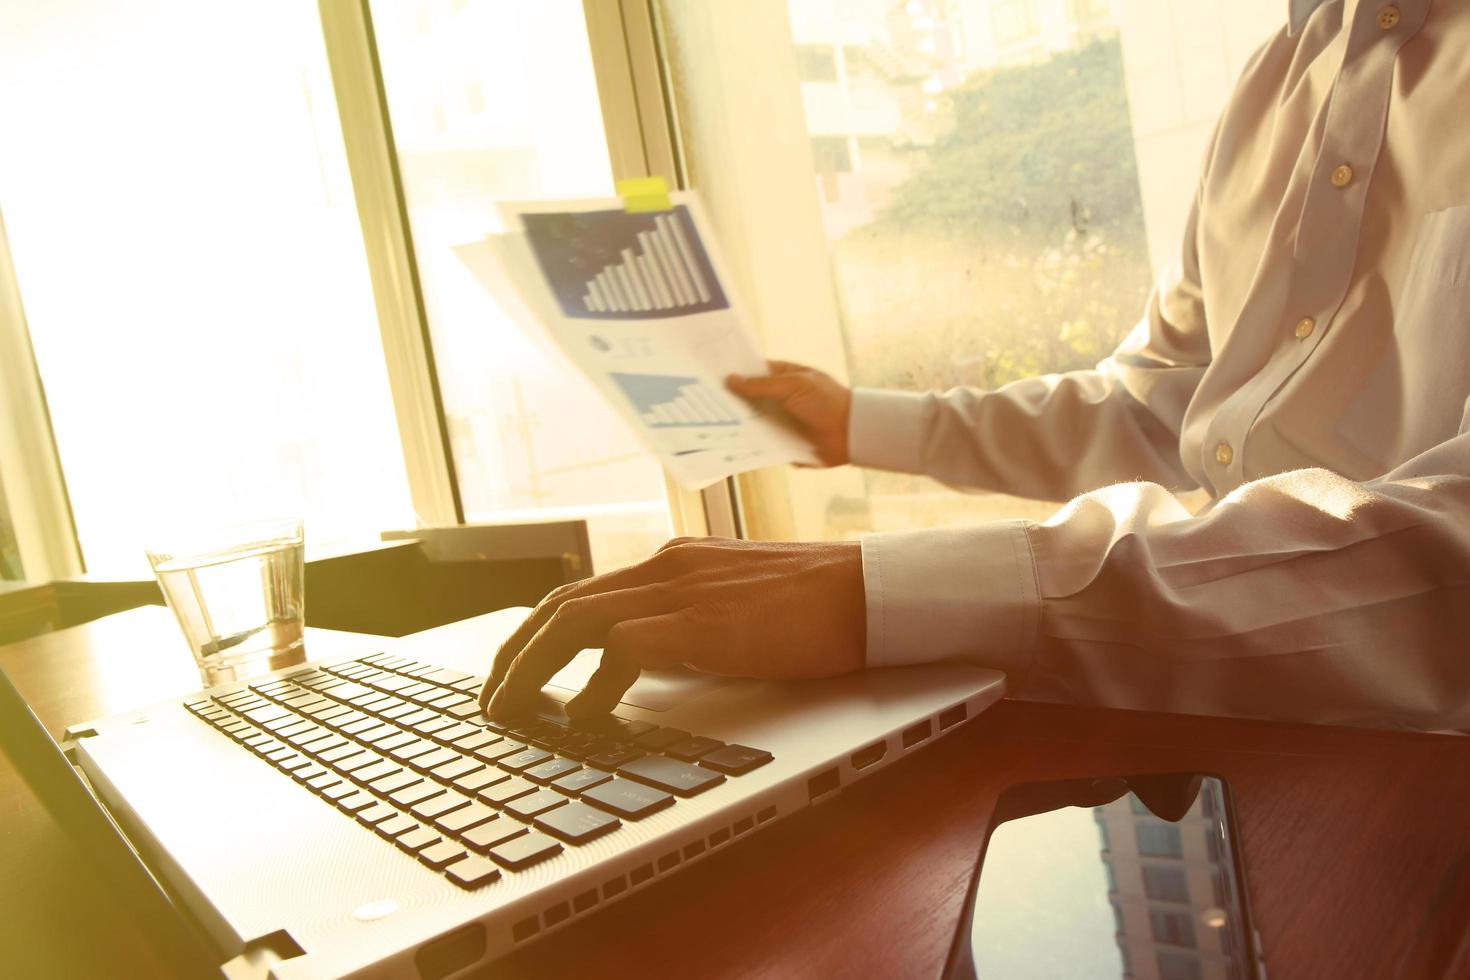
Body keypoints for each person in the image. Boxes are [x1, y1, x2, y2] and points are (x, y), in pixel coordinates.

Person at [480, 0, 1470, 732]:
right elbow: (1162, 410)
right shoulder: (1278, 76)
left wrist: (875, 595)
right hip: (1220, 723)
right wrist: (858, 422)